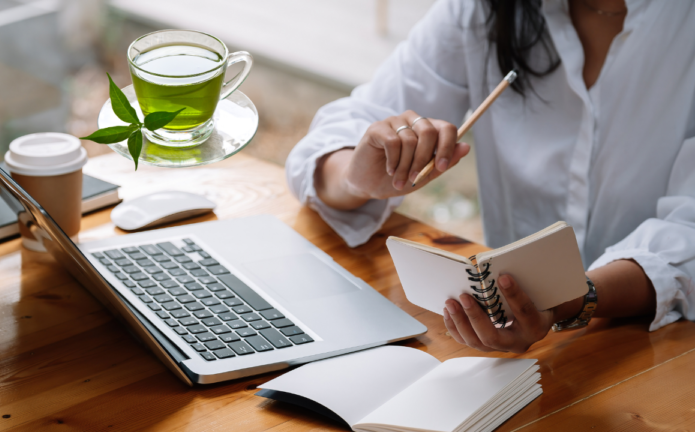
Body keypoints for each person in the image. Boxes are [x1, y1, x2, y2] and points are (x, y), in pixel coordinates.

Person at [285, 0, 695, 353]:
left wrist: (571, 299)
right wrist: (357, 178)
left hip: (662, 346)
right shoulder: (487, 9)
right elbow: (341, 134)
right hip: (509, 342)